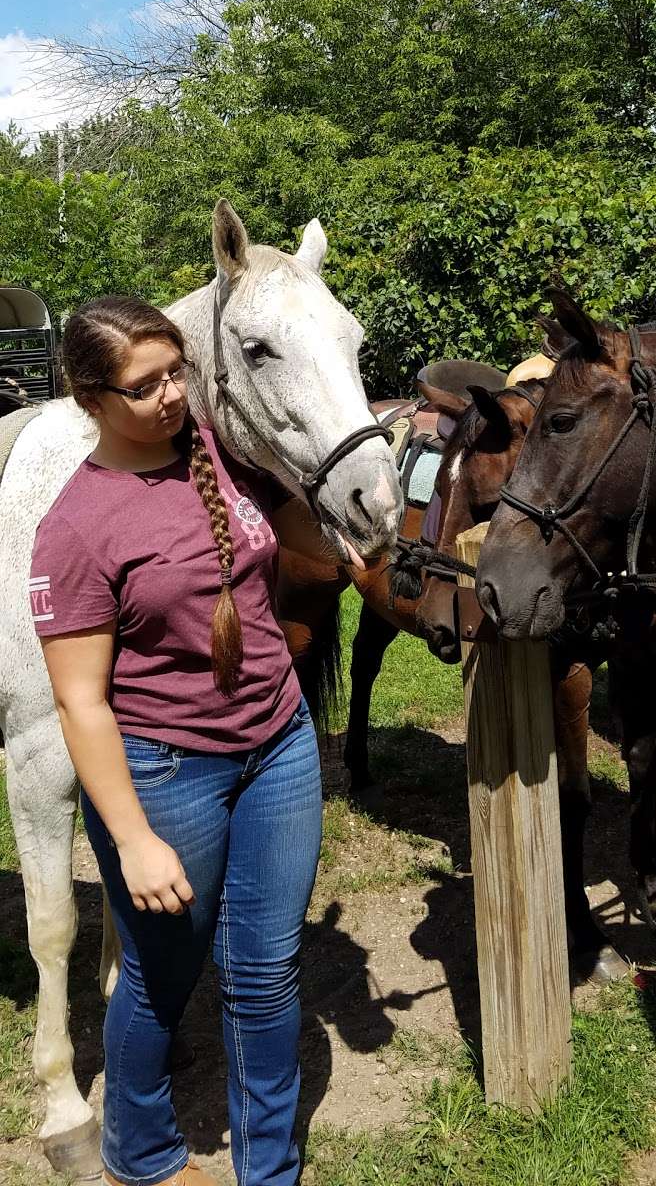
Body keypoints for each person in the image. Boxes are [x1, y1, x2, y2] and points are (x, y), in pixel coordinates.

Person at [31, 296, 322, 1186]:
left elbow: (276, 548)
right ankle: (142, 1153)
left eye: (175, 372)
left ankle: (268, 1169)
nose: (169, 396)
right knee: (161, 978)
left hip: (281, 742)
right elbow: (81, 704)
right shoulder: (75, 530)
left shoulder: (218, 454)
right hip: (168, 773)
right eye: (142, 385)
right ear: (89, 397)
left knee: (268, 974)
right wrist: (133, 837)